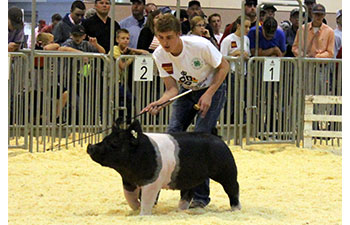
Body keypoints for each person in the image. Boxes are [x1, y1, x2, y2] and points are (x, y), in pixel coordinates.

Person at [141, 14, 229, 209]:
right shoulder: (159, 55)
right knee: (172, 134)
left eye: (169, 37)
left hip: (213, 88)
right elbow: (171, 89)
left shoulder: (200, 46)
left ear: (179, 34)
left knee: (200, 137)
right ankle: (170, 188)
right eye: (161, 37)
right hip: (187, 91)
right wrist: (160, 102)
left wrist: (208, 94)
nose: (165, 42)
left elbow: (224, 67)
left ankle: (200, 197)